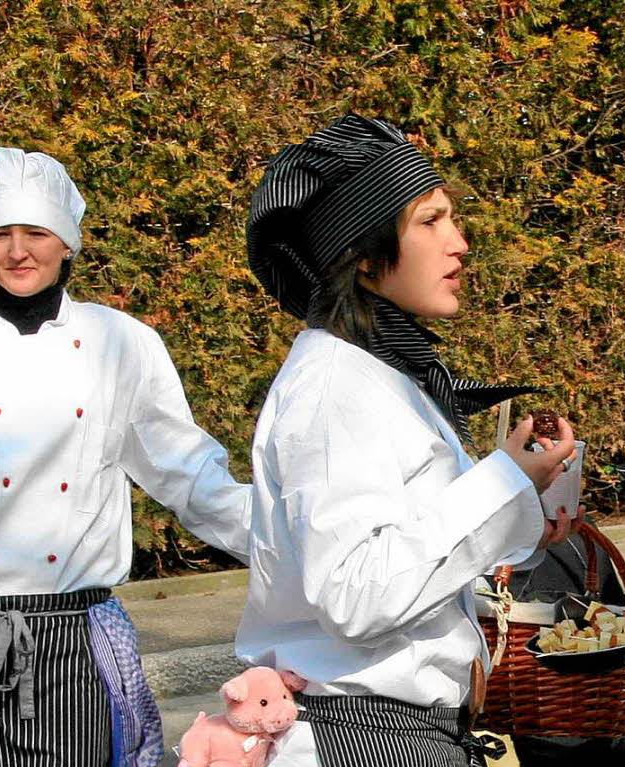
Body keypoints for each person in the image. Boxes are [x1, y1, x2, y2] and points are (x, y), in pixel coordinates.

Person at [0, 148, 254, 765]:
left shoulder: (123, 344)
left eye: (36, 232)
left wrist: (287, 543)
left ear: (68, 245)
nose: (17, 251)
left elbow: (186, 473)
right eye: (0, 234)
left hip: (75, 640)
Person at [235, 114, 576, 767]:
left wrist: (527, 512)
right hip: (361, 741)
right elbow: (356, 590)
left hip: (397, 737)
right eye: (431, 221)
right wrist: (503, 480)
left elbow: (410, 547)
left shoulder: (380, 374)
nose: (460, 242)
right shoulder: (336, 384)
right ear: (362, 254)